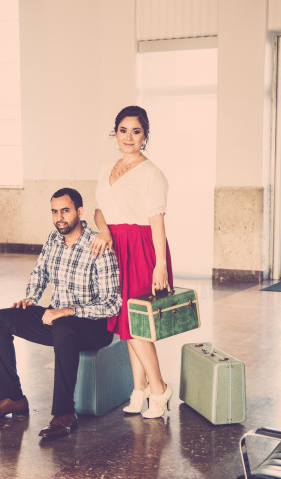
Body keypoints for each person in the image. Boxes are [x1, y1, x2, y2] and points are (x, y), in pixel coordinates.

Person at [0, 187, 122, 438]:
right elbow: (40, 273)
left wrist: (69, 310)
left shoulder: (98, 246)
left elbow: (112, 303)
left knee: (63, 327)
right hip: (57, 318)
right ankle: (13, 398)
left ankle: (64, 413)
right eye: (54, 212)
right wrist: (30, 299)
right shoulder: (53, 239)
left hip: (93, 326)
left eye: (65, 210)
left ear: (79, 211)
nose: (59, 217)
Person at [91, 105, 173, 419]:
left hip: (141, 249)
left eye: (136, 131)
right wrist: (104, 231)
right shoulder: (105, 169)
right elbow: (100, 210)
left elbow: (157, 221)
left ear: (145, 136)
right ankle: (138, 390)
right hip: (115, 248)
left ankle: (159, 389)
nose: (129, 137)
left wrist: (160, 264)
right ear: (115, 132)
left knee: (136, 324)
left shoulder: (152, 173)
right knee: (126, 324)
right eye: (123, 130)